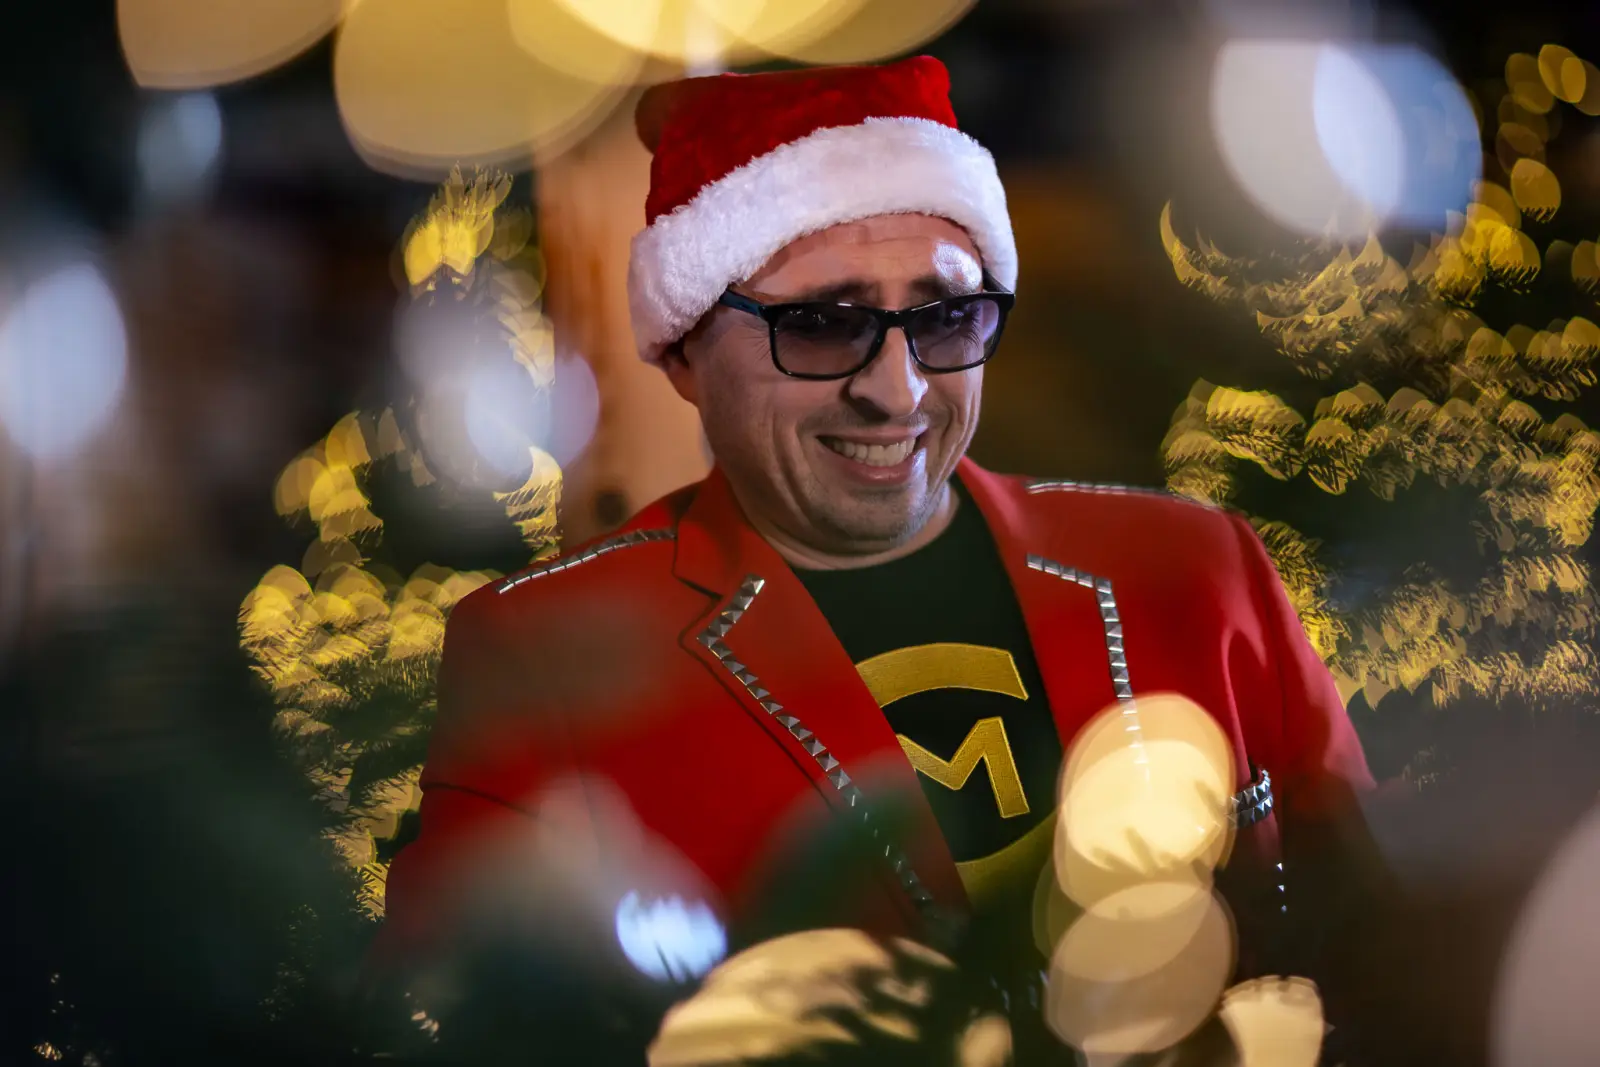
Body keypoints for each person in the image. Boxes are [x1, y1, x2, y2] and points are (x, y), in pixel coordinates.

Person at [374, 56, 1380, 1063]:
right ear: (683, 349)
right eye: (822, 324)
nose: (896, 392)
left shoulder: (1197, 565)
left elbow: (1383, 952)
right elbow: (453, 1016)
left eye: (943, 316)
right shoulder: (544, 649)